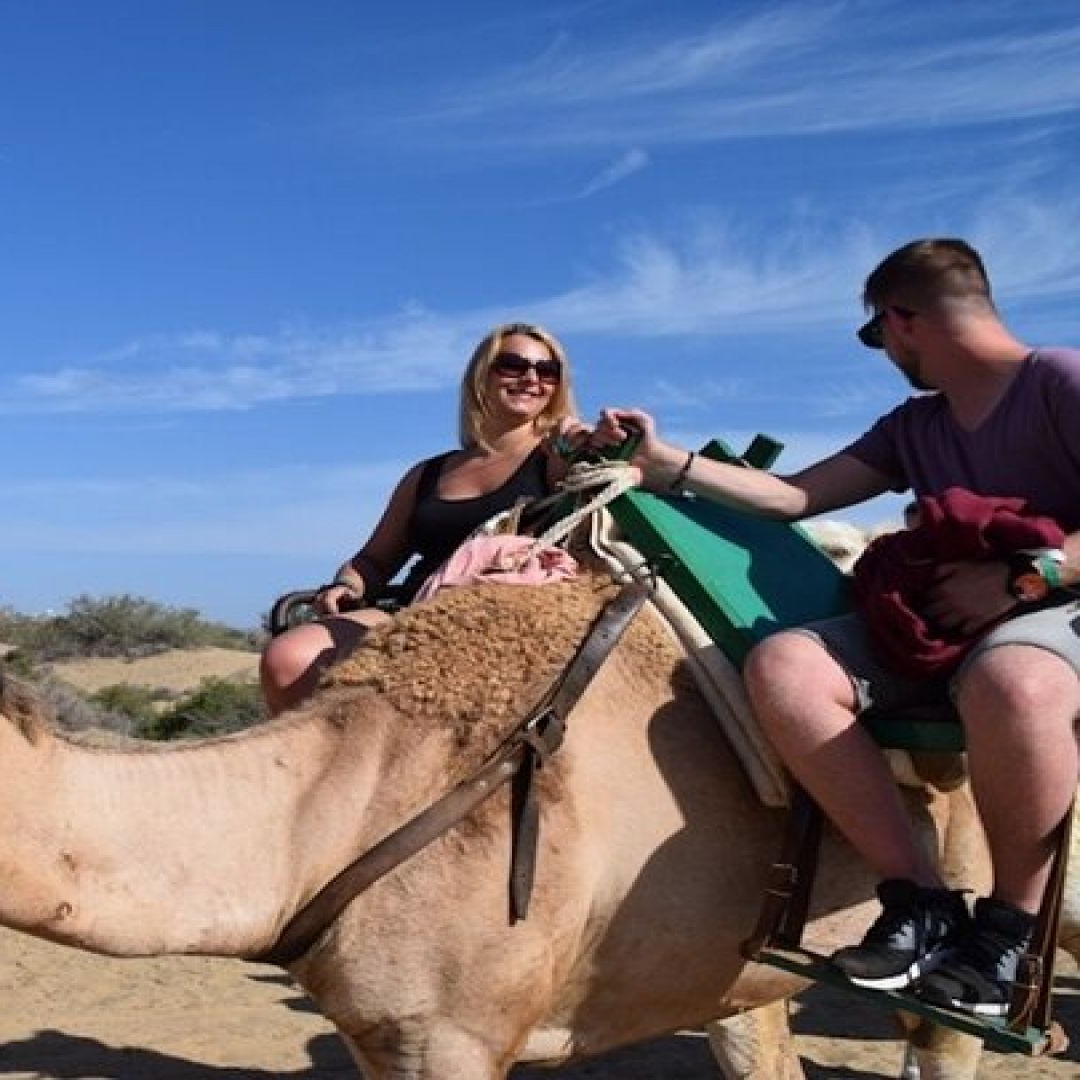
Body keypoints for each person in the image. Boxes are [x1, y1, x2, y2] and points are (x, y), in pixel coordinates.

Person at [592, 238, 1080, 1018]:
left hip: (1055, 610)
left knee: (1012, 680)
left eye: (877, 336)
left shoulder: (1058, 379)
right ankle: (919, 901)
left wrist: (1027, 575)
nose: (883, 352)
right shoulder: (913, 427)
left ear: (900, 321)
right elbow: (790, 497)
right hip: (942, 617)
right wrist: (664, 461)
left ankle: (1007, 933)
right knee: (785, 665)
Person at [260, 322, 581, 715]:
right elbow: (374, 561)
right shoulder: (427, 474)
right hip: (414, 610)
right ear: (482, 375)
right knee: (287, 660)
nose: (531, 378)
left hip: (504, 620)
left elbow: (600, 483)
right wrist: (345, 584)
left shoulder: (558, 459)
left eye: (546, 371)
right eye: (512, 365)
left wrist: (575, 444)